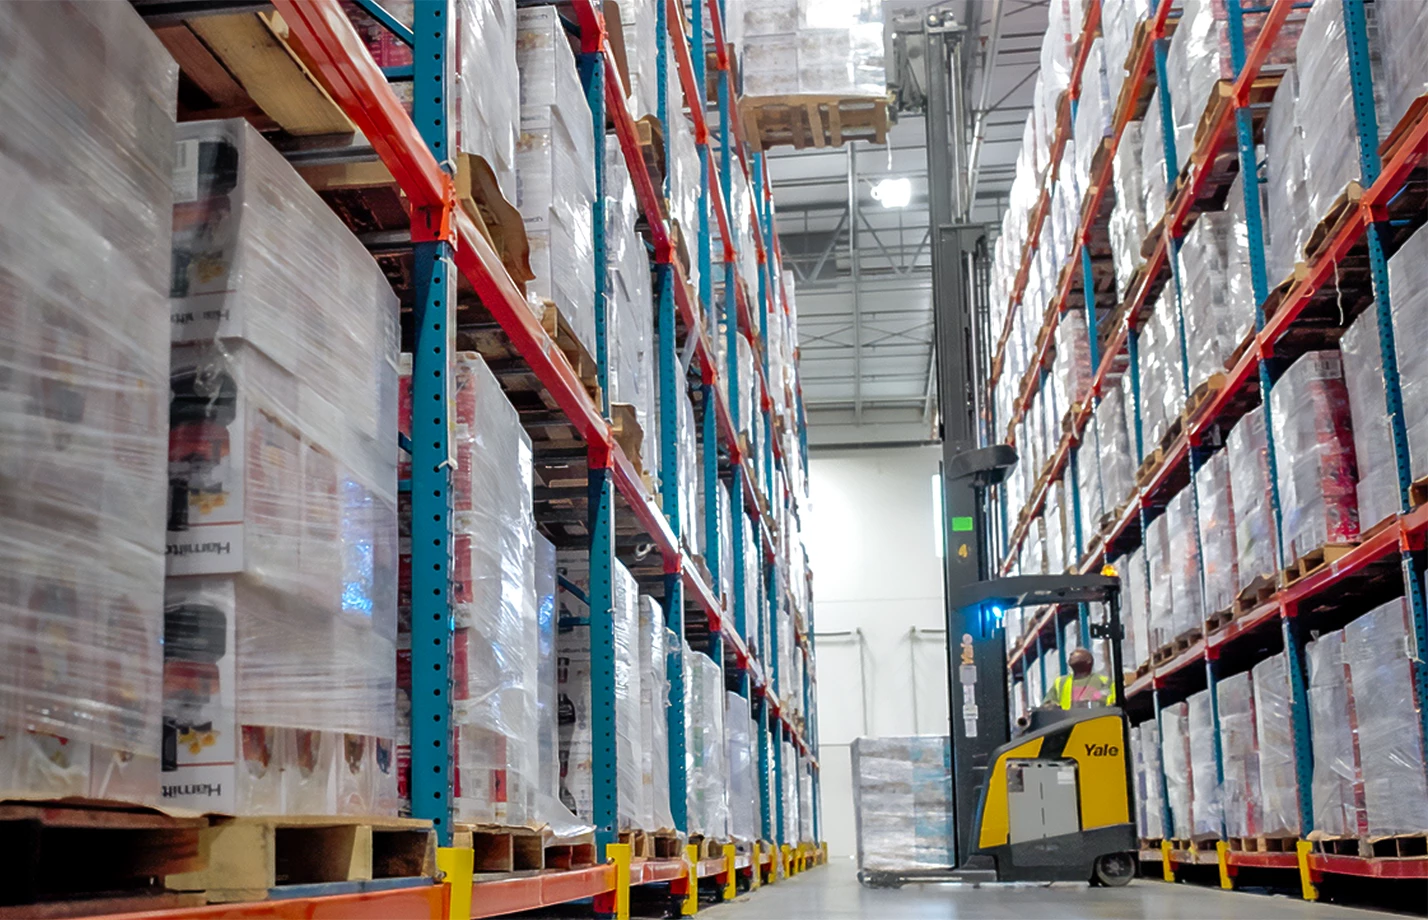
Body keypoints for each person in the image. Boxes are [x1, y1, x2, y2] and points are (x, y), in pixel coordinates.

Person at [1041, 648, 1115, 709]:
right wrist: (1051, 706)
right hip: (1069, 721)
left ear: (1088, 660)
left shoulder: (1104, 682)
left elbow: (1113, 703)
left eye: (1076, 653)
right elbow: (1046, 704)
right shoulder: (1060, 682)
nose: (1071, 654)